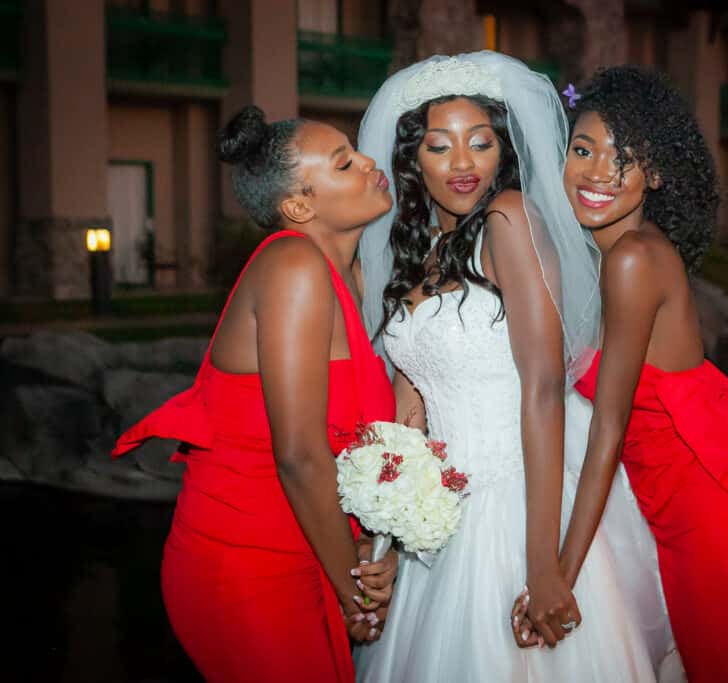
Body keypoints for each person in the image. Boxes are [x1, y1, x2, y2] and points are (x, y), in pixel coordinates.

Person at [353, 52, 662, 682]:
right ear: (413, 158)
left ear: (503, 150)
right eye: (440, 147)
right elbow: (408, 415)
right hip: (438, 523)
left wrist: (544, 563)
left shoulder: (509, 218)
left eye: (480, 142)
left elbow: (545, 389)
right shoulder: (417, 257)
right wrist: (382, 536)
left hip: (521, 497)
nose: (463, 163)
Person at [552, 66, 728, 682]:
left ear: (655, 174)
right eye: (583, 148)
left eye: (624, 158)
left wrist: (558, 578)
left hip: (712, 523)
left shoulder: (632, 260)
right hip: (680, 517)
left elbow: (610, 429)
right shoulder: (610, 255)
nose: (598, 171)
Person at [111, 106, 398, 683]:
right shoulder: (293, 266)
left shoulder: (353, 277)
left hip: (314, 549)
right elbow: (299, 454)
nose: (370, 163)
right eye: (345, 163)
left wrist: (370, 553)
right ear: (299, 207)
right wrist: (356, 594)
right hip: (247, 564)